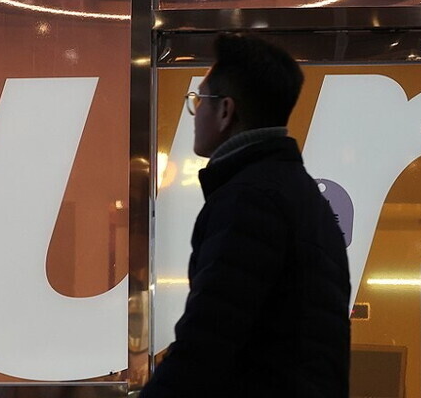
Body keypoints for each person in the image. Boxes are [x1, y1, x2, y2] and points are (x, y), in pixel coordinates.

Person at [141, 33, 350, 398]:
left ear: (226, 110)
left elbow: (208, 339)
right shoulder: (299, 193)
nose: (195, 113)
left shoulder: (249, 201)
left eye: (199, 100)